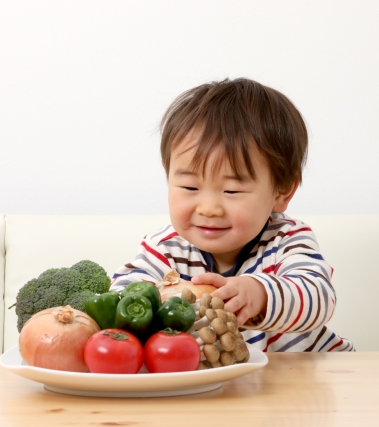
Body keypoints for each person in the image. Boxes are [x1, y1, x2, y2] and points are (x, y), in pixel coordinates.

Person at [111, 78, 353, 352]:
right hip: (225, 388)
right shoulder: (164, 248)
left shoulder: (287, 239)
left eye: (232, 190)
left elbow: (318, 297)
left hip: (306, 380)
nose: (208, 208)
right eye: (190, 187)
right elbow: (121, 294)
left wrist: (260, 293)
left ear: (281, 192)